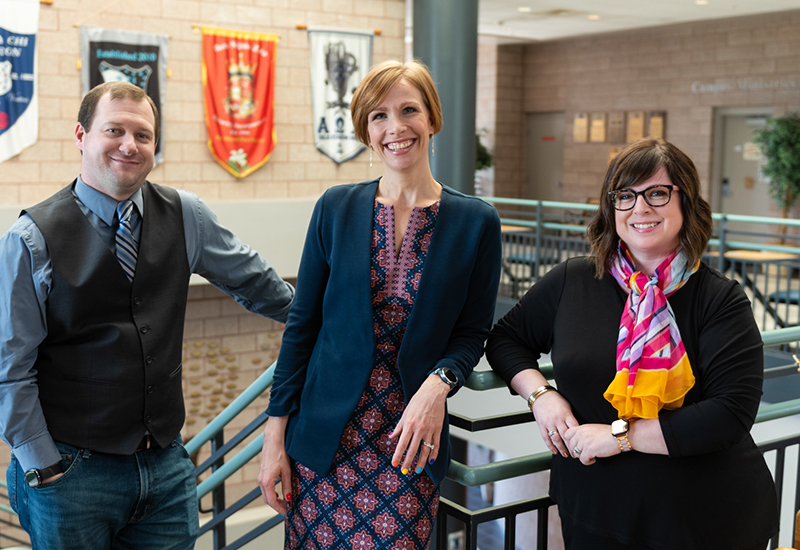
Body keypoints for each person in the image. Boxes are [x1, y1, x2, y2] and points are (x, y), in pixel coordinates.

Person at [0, 81, 295, 549]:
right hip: (71, 475)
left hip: (165, 470)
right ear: (81, 135)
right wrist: (44, 465)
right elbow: (10, 370)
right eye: (114, 130)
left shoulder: (186, 215)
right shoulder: (30, 238)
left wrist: (340, 327)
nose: (129, 145)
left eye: (143, 135)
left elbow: (262, 286)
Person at [486, 138, 779, 550]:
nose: (640, 208)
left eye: (657, 193)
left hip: (702, 519)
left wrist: (618, 437)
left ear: (686, 202)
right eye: (625, 195)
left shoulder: (719, 299)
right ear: (612, 207)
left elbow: (729, 414)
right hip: (594, 511)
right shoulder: (573, 281)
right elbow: (506, 339)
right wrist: (541, 395)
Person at [257, 59, 502, 549]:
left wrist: (440, 384)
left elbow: (473, 332)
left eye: (408, 109)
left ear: (431, 117)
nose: (395, 127)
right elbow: (302, 327)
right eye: (378, 116)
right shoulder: (336, 207)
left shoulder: (477, 221)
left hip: (409, 444)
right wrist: (274, 439)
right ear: (366, 131)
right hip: (324, 443)